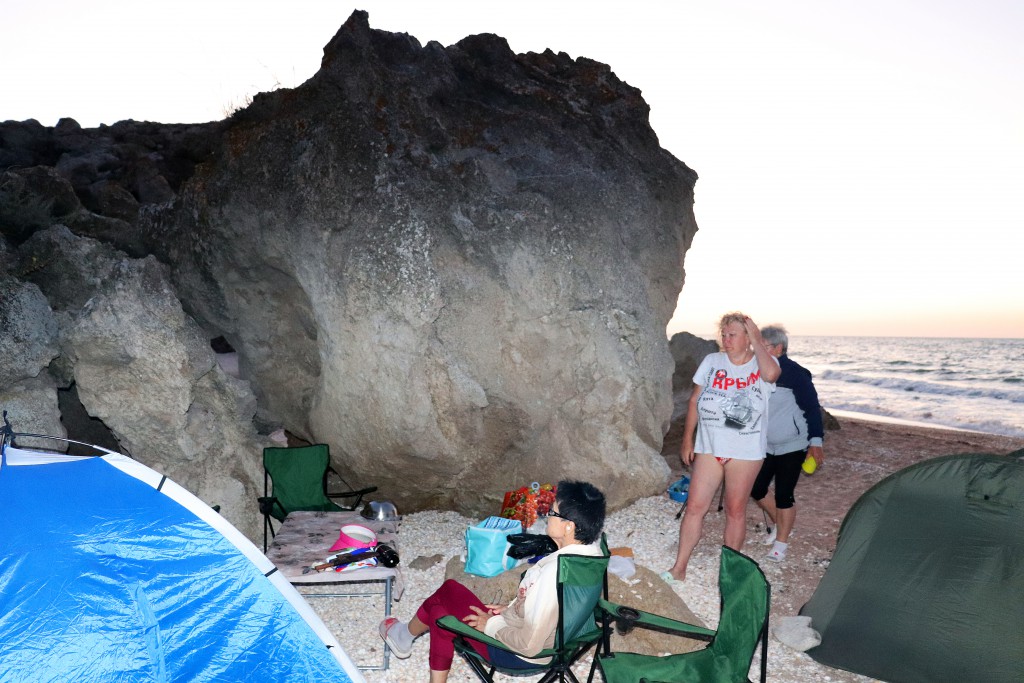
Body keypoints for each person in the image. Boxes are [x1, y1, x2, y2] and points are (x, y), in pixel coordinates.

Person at [378, 480, 607, 683]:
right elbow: (557, 608)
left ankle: (404, 635)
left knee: (448, 592)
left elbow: (529, 645)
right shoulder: (589, 558)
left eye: (552, 512)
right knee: (439, 614)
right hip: (556, 643)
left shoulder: (552, 574)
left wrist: (491, 624)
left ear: (569, 526)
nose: (547, 516)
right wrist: (513, 608)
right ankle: (404, 637)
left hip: (515, 652)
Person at [663, 312, 780, 583]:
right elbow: (695, 400)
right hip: (709, 445)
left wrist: (757, 340)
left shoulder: (763, 363)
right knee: (695, 507)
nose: (726, 340)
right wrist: (687, 439)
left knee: (735, 511)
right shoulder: (712, 362)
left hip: (745, 452)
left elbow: (772, 374)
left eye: (733, 335)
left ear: (748, 337)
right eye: (724, 335)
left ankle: (729, 573)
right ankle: (679, 568)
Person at [750, 324, 824, 563]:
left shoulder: (795, 374)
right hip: (764, 443)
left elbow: (812, 409)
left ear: (778, 348)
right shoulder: (756, 371)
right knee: (756, 488)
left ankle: (781, 544)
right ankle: (780, 524)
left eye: (763, 347)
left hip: (792, 444)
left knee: (784, 494)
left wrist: (816, 442)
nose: (757, 351)